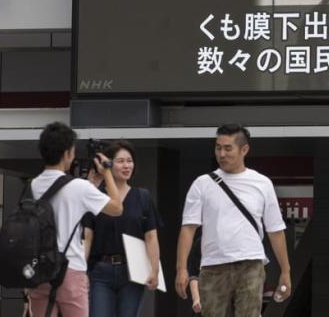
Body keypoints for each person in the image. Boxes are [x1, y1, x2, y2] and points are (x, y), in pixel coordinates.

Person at [174, 124, 290, 317]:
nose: (222, 153)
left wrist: (285, 271)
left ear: (244, 150)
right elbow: (188, 229)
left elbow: (275, 230)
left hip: (251, 264)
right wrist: (182, 268)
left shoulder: (262, 183)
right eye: (218, 147)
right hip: (212, 265)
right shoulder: (202, 184)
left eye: (228, 148)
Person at [27, 122, 123, 317]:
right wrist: (107, 173)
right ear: (67, 154)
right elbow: (117, 208)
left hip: (40, 271)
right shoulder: (78, 187)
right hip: (70, 269)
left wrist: (92, 184)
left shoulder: (32, 185)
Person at [82, 140, 163, 317]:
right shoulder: (96, 196)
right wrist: (81, 271)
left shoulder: (142, 196)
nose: (127, 166)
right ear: (108, 165)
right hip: (100, 271)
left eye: (130, 160)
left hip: (132, 270)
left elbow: (151, 237)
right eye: (120, 161)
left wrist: (154, 270)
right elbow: (87, 237)